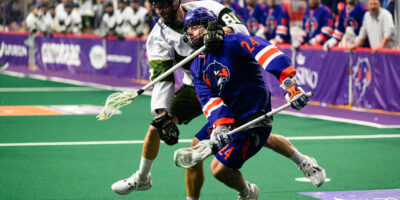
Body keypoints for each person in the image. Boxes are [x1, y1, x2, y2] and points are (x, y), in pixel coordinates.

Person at [110, 0, 326, 199]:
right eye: (157, 6)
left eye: (166, 4)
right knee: (175, 138)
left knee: (254, 129)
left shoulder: (210, 9)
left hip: (240, 84)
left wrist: (290, 84)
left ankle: (302, 162)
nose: (162, 10)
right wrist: (165, 114)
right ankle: (144, 178)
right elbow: (166, 80)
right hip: (198, 82)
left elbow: (255, 42)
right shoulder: (170, 46)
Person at [183, 7, 325, 199]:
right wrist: (220, 126)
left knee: (218, 170)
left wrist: (289, 86)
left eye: (194, 27)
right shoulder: (196, 64)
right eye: (187, 29)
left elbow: (267, 52)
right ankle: (303, 160)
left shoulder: (233, 41)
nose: (189, 32)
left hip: (254, 113)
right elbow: (208, 99)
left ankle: (248, 193)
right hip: (231, 114)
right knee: (194, 150)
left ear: (209, 26)